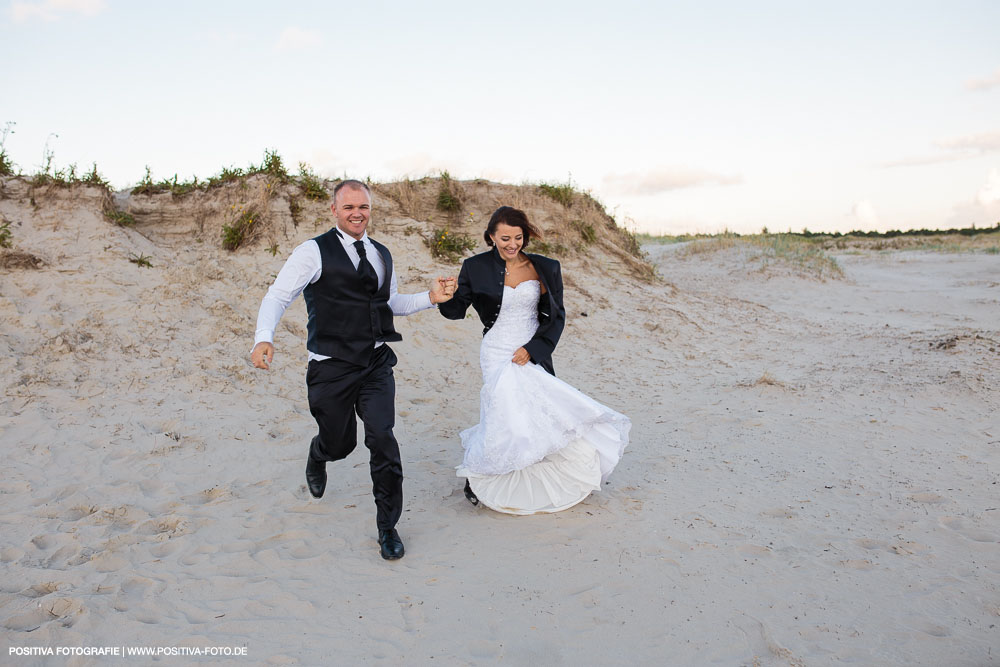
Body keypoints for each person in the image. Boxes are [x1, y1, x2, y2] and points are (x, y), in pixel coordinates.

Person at [250, 180, 455, 560]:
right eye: (348, 208)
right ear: (334, 210)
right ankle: (319, 452)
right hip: (332, 367)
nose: (357, 213)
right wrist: (264, 337)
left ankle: (387, 527)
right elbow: (278, 295)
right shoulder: (312, 252)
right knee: (339, 444)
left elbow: (390, 304)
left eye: (363, 207)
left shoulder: (381, 253)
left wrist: (431, 298)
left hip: (375, 364)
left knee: (383, 439)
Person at [438, 206, 630, 514]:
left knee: (534, 411)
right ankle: (479, 477)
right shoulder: (474, 267)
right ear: (491, 237)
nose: (512, 244)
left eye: (518, 237)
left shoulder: (546, 267)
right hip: (497, 350)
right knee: (503, 413)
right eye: (504, 238)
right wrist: (444, 297)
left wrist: (535, 348)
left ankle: (528, 472)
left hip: (530, 350)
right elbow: (456, 310)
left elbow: (557, 317)